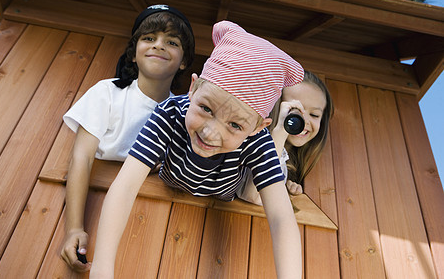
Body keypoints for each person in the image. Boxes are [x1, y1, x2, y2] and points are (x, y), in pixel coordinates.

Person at [89, 20, 305, 279]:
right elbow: (124, 188)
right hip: (173, 176)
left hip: (225, 190)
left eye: (235, 125)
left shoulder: (259, 141)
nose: (211, 132)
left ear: (259, 127)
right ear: (192, 88)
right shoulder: (169, 113)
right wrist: (101, 270)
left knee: (256, 192)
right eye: (205, 109)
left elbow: (281, 219)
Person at [60, 4, 195, 272]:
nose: (159, 45)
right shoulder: (107, 93)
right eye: (149, 38)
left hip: (158, 227)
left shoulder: (185, 113)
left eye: (171, 41)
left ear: (183, 61)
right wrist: (75, 227)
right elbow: (82, 157)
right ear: (133, 54)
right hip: (97, 210)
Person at [237, 71, 334, 205]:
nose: (304, 121)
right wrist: (280, 131)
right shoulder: (251, 143)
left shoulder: (291, 162)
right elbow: (252, 195)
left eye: (314, 115)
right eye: (294, 110)